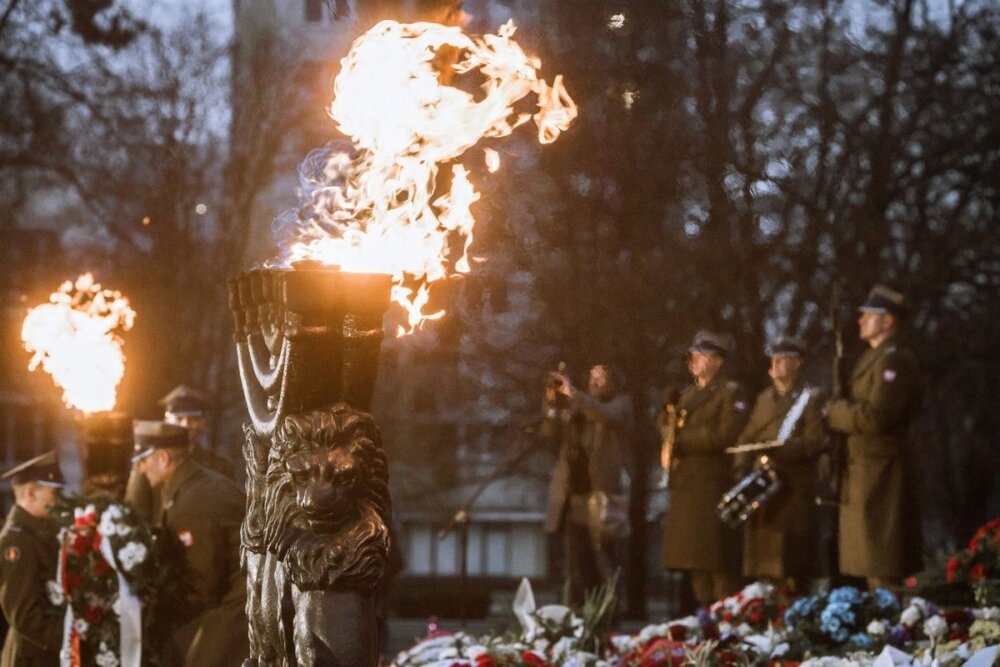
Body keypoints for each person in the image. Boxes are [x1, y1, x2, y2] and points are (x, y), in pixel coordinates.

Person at [826, 284, 923, 589]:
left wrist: (835, 412)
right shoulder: (874, 358)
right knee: (871, 565)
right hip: (865, 471)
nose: (860, 321)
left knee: (883, 565)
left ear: (888, 321)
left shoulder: (893, 361)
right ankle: (885, 629)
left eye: (869, 315)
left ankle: (893, 630)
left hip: (882, 473)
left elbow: (876, 416)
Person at [132, 420, 248, 666]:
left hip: (238, 608)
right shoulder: (200, 483)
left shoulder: (191, 505)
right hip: (240, 596)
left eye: (144, 461)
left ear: (163, 458)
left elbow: (202, 585)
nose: (141, 470)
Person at [660, 330, 748, 608]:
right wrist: (667, 423)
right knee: (696, 565)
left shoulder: (729, 392)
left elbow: (727, 434)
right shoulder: (685, 394)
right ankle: (706, 622)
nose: (694, 361)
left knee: (718, 564)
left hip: (712, 484)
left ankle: (728, 621)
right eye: (694, 355)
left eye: (702, 356)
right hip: (687, 485)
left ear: (717, 361)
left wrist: (682, 439)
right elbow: (667, 428)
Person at [733, 336, 826, 592]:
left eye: (783, 358)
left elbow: (816, 442)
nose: (775, 363)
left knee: (792, 565)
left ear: (798, 363)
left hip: (793, 490)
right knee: (764, 566)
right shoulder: (764, 399)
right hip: (764, 491)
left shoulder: (810, 398)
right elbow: (748, 434)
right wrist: (741, 467)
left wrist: (780, 449)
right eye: (774, 357)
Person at [543, 364, 633, 606]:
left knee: (604, 561)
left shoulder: (621, 403)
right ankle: (576, 614)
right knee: (575, 564)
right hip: (573, 496)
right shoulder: (578, 407)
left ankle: (609, 613)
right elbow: (550, 431)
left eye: (601, 376)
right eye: (592, 376)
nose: (595, 381)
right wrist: (553, 403)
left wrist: (574, 394)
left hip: (601, 497)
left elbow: (605, 415)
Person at [125, 385, 235, 522]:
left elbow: (228, 512)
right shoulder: (148, 462)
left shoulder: (220, 465)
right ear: (166, 421)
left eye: (192, 420)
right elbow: (135, 512)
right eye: (179, 419)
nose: (185, 425)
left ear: (202, 423)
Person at [0, 452, 65, 667]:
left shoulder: (39, 532)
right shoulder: (17, 542)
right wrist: (70, 638)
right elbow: (24, 616)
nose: (58, 501)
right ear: (30, 493)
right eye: (54, 493)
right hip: (31, 658)